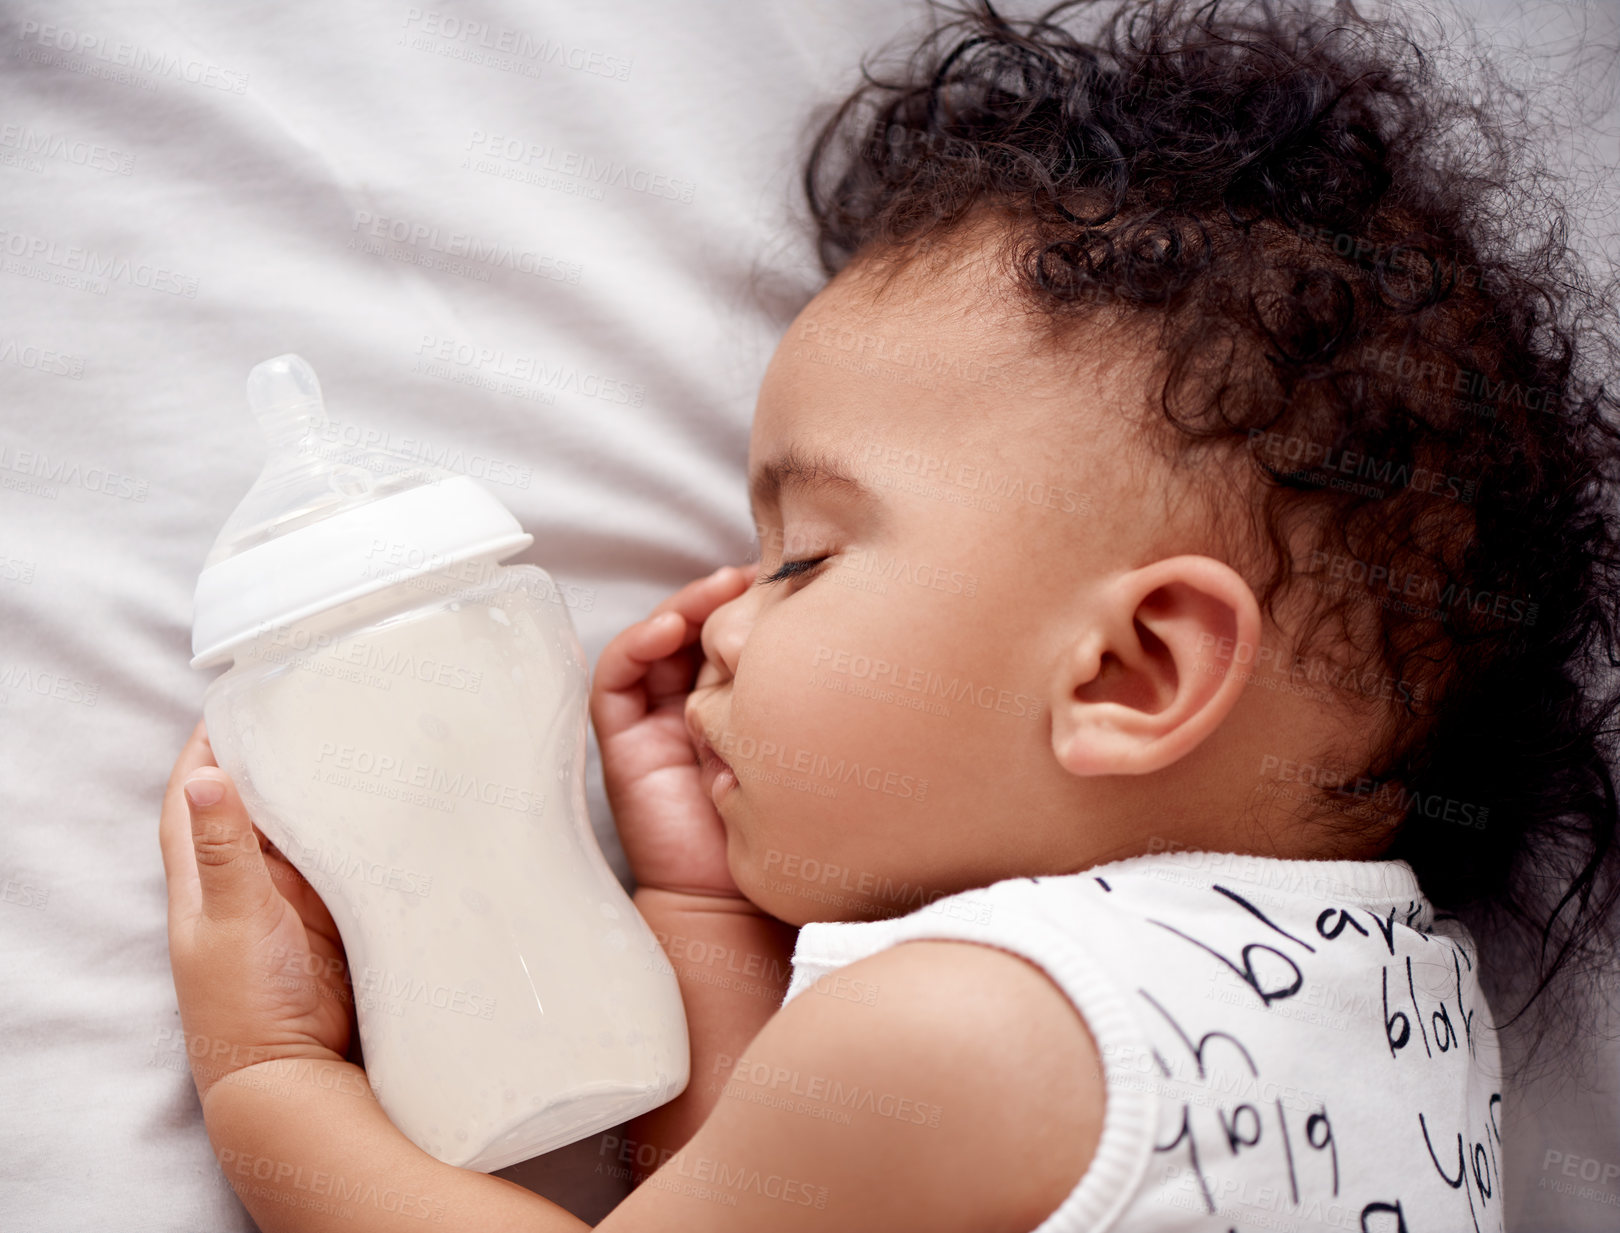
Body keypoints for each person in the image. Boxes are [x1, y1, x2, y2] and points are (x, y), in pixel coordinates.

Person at [156, 1, 1620, 1229]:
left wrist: (270, 1081)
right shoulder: (1407, 1009)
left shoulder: (964, 1028)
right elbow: (781, 1190)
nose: (722, 615)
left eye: (805, 559)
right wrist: (706, 911)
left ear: (1131, 667)